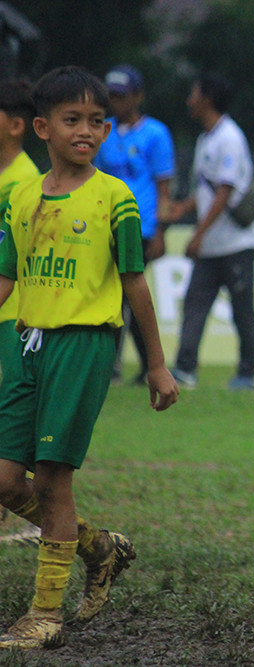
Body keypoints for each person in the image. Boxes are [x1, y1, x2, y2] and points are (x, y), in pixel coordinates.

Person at [0, 65, 179, 650]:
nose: (87, 131)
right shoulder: (21, 197)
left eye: (97, 121)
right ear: (42, 128)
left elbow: (135, 284)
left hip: (82, 346)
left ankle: (44, 614)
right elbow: (7, 277)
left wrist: (156, 364)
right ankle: (98, 547)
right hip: (27, 343)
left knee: (53, 480)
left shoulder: (116, 198)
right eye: (72, 119)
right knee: (6, 481)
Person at [169, 71, 254, 390]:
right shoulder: (206, 138)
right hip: (212, 243)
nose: (189, 101)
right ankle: (185, 368)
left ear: (207, 99)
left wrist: (198, 234)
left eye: (194, 94)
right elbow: (207, 189)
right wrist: (184, 207)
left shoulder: (229, 138)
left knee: (241, 310)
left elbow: (225, 191)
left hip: (236, 242)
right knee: (195, 303)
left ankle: (247, 372)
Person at [94, 64, 177, 386]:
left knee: (125, 295)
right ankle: (144, 365)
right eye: (112, 95)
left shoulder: (155, 133)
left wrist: (161, 231)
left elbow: (164, 186)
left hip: (141, 226)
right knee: (118, 296)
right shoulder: (104, 130)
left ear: (138, 96)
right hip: (107, 224)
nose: (116, 101)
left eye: (122, 95)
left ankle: (117, 366)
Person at [0, 77, 41, 548]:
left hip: (14, 316)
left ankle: (45, 521)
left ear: (15, 125)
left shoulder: (24, 183)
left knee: (16, 415)